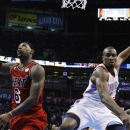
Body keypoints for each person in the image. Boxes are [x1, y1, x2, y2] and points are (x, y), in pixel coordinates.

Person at [60, 46, 130, 130]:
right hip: (87, 106)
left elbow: (122, 56)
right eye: (107, 55)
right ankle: (69, 115)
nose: (111, 58)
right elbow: (104, 97)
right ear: (103, 58)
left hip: (104, 110)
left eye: (113, 55)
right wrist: (121, 113)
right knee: (66, 127)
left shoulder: (116, 66)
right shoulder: (100, 71)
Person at [0, 42, 47, 130]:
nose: (20, 48)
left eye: (24, 46)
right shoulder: (12, 67)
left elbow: (33, 99)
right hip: (16, 117)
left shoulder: (36, 69)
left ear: (31, 51)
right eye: (18, 47)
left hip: (32, 117)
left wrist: (9, 115)